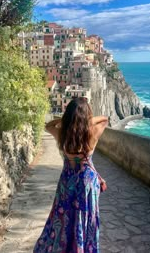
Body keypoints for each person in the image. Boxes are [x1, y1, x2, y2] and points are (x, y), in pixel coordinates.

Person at [33, 97, 108, 253]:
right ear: (87, 115)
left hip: (67, 183)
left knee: (63, 216)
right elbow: (105, 119)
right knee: (86, 219)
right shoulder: (93, 131)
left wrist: (68, 120)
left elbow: (48, 125)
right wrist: (85, 121)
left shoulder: (61, 133)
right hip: (87, 184)